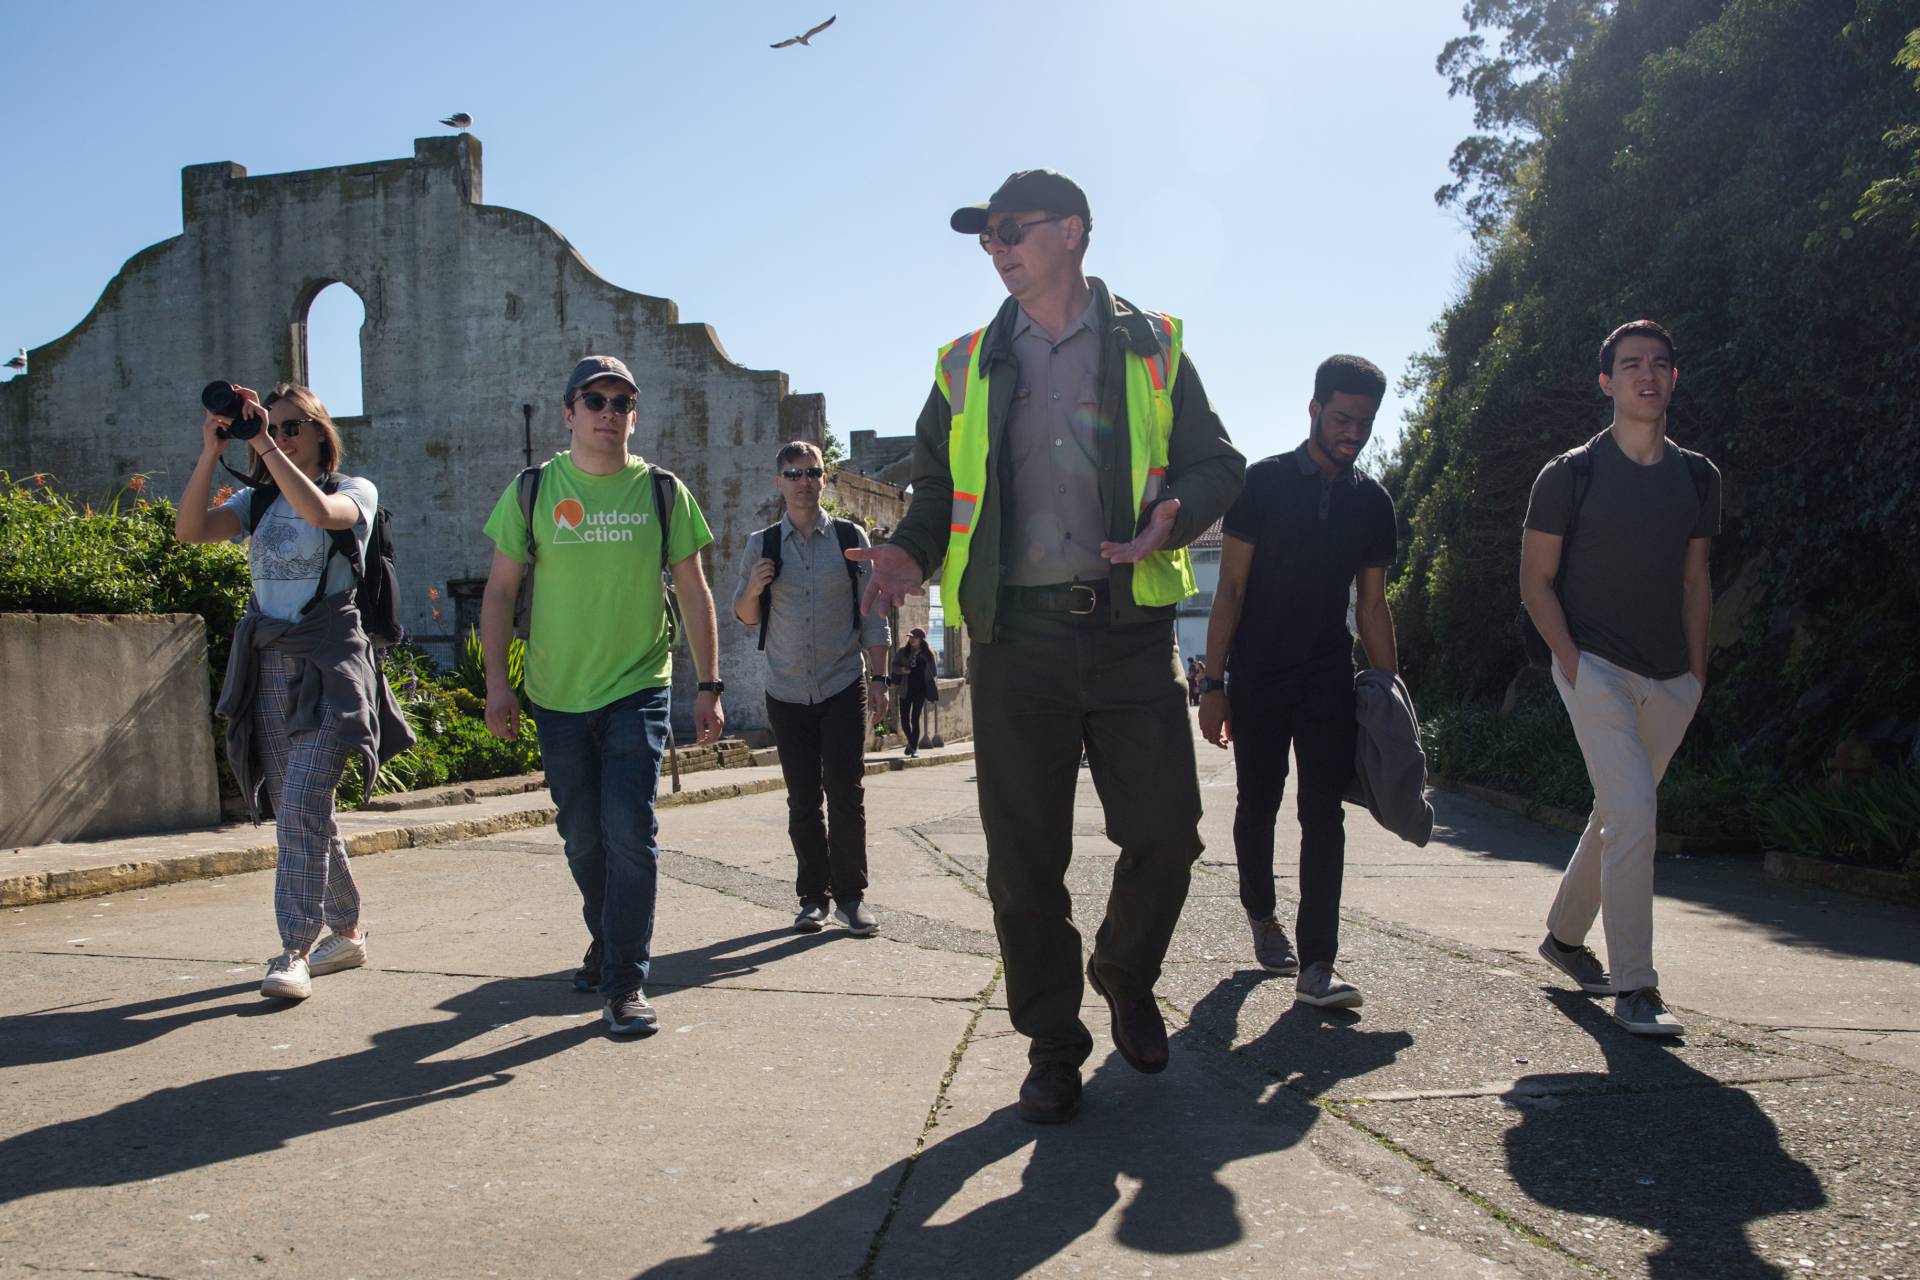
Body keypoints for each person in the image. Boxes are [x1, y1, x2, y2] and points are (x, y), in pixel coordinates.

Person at [850, 169, 1244, 1123]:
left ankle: (1122, 967)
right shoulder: (964, 362)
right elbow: (939, 493)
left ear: (1072, 232)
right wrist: (907, 552)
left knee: (1166, 834)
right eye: (985, 237)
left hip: (1127, 632)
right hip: (1014, 640)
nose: (996, 247)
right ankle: (1053, 1047)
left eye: (1011, 230)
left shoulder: (1151, 345)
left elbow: (1217, 460)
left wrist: (1171, 518)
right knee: (1024, 859)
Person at [478, 355, 725, 1035]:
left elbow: (695, 591)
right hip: (557, 695)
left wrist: (708, 685)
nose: (609, 413)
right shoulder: (531, 491)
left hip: (637, 687)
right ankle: (607, 937)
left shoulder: (663, 492)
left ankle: (624, 983)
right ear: (569, 413)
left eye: (622, 403)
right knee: (582, 836)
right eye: (595, 401)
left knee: (629, 830)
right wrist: (498, 684)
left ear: (633, 416)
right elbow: (500, 593)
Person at [174, 382, 413, 1002]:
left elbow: (318, 516)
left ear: (319, 433)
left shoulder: (351, 490)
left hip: (330, 664)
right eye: (271, 428)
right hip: (268, 666)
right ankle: (350, 931)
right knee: (302, 811)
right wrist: (210, 448)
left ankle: (294, 948)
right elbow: (190, 530)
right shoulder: (256, 502)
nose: (279, 437)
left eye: (292, 427)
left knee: (303, 804)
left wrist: (262, 447)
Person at [1519, 320, 1721, 1037]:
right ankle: (1637, 986)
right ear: (1606, 382)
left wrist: (1697, 672)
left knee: (1619, 812)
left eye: (1660, 364)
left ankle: (1565, 938)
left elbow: (1696, 582)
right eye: (1631, 364)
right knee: (1635, 808)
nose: (1647, 374)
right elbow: (1535, 582)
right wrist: (1572, 663)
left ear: (1673, 380)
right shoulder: (1569, 474)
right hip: (1594, 665)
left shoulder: (1699, 477)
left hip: (1671, 678)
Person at [1199, 355, 1399, 1010]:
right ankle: (1261, 912)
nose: (1353, 432)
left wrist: (1391, 693)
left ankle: (1318, 964)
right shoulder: (1262, 485)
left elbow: (1372, 605)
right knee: (1258, 801)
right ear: (1313, 410)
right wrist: (1212, 682)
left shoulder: (1373, 504)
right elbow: (1228, 587)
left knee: (1324, 813)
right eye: (1342, 418)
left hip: (1325, 675)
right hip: (1257, 672)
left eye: (1364, 422)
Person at [732, 440, 891, 936]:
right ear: (778, 481)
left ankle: (851, 898)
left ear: (826, 479)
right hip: (786, 691)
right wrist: (753, 588)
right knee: (803, 800)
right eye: (793, 473)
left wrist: (882, 679)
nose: (803, 481)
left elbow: (873, 614)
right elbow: (745, 615)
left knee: (846, 793)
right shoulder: (762, 544)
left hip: (844, 683)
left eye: (812, 472)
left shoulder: (849, 536)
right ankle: (812, 900)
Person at [891, 627, 938, 757]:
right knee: (904, 719)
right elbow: (893, 666)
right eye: (910, 637)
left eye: (915, 637)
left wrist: (925, 672)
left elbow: (934, 672)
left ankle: (913, 748)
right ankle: (911, 743)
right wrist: (902, 670)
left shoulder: (928, 654)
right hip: (906, 689)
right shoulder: (903, 652)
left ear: (921, 639)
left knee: (915, 718)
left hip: (920, 690)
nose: (911, 639)